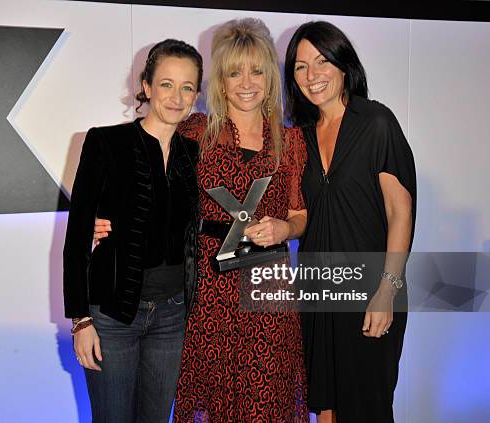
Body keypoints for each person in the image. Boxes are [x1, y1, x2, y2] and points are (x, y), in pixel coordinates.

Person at [94, 18, 309, 423]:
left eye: (257, 70)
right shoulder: (194, 131)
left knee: (266, 400)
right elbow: (130, 160)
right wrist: (98, 213)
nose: (246, 82)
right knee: (210, 401)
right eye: (234, 71)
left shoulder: (292, 141)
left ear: (269, 78)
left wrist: (285, 228)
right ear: (220, 82)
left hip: (268, 291)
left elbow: (300, 215)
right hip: (205, 287)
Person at [62, 39, 203, 423]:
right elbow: (76, 238)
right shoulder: (105, 142)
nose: (176, 97)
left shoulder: (194, 154)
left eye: (187, 87)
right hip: (112, 316)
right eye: (167, 84)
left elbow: (201, 229)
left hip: (173, 316)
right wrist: (81, 321)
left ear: (197, 94)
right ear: (146, 86)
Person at [284, 21, 416, 423]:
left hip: (370, 288)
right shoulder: (300, 137)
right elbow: (301, 216)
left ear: (344, 65)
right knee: (324, 405)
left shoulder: (376, 121)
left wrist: (387, 290)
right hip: (316, 290)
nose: (312, 75)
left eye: (322, 61)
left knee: (367, 406)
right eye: (300, 67)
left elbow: (400, 212)